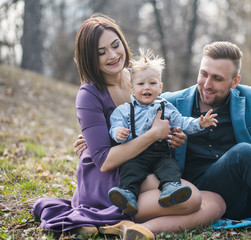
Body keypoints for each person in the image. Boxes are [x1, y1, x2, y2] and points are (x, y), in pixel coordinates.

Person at [75, 41, 251, 239]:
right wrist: (96, 139)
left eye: (217, 79)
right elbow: (136, 125)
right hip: (213, 188)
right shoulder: (169, 103)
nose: (207, 84)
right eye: (203, 74)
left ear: (235, 81)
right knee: (244, 152)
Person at [31, 14, 225, 240]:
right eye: (101, 52)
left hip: (147, 164)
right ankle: (118, 216)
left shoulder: (137, 76)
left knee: (217, 202)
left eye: (115, 45)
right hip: (113, 178)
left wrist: (173, 135)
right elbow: (104, 160)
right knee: (192, 199)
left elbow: (160, 117)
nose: (112, 55)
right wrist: (153, 135)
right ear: (89, 58)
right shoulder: (89, 95)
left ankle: (130, 228)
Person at [108, 49, 218, 216]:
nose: (147, 88)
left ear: (160, 87)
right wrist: (118, 132)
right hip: (135, 154)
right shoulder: (124, 111)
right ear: (131, 88)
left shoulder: (166, 107)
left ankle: (170, 189)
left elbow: (182, 122)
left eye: (152, 83)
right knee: (130, 170)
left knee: (170, 168)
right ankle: (128, 195)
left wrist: (199, 123)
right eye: (141, 84)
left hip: (160, 153)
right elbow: (114, 125)